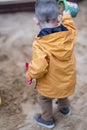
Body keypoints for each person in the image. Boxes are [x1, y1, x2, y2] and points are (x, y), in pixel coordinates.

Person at [26, 0, 77, 129]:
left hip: (49, 84)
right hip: (65, 80)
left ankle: (47, 120)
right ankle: (64, 108)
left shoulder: (40, 45)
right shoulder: (69, 35)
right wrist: (67, 17)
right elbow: (71, 27)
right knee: (63, 93)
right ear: (59, 17)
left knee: (44, 99)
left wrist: (30, 73)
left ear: (36, 21)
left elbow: (39, 68)